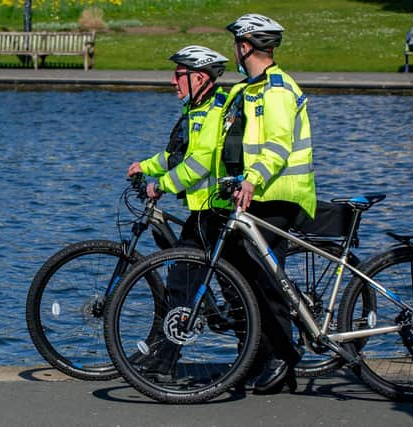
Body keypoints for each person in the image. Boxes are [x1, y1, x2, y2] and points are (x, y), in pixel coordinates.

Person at [221, 13, 317, 395]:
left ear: (246, 46)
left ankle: (282, 357)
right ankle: (259, 356)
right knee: (241, 270)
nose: (234, 50)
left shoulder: (277, 89)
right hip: (259, 192)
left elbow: (278, 144)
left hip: (281, 192)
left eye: (236, 44)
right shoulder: (249, 89)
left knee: (265, 274)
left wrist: (252, 179)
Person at [126, 45, 230, 380]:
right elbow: (177, 155)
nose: (173, 81)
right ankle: (161, 353)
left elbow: (198, 165)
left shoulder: (215, 110)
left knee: (182, 284)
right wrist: (145, 165)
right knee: (186, 283)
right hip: (203, 210)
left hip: (215, 209)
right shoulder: (196, 109)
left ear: (199, 77)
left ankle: (164, 360)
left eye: (179, 75)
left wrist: (160, 186)